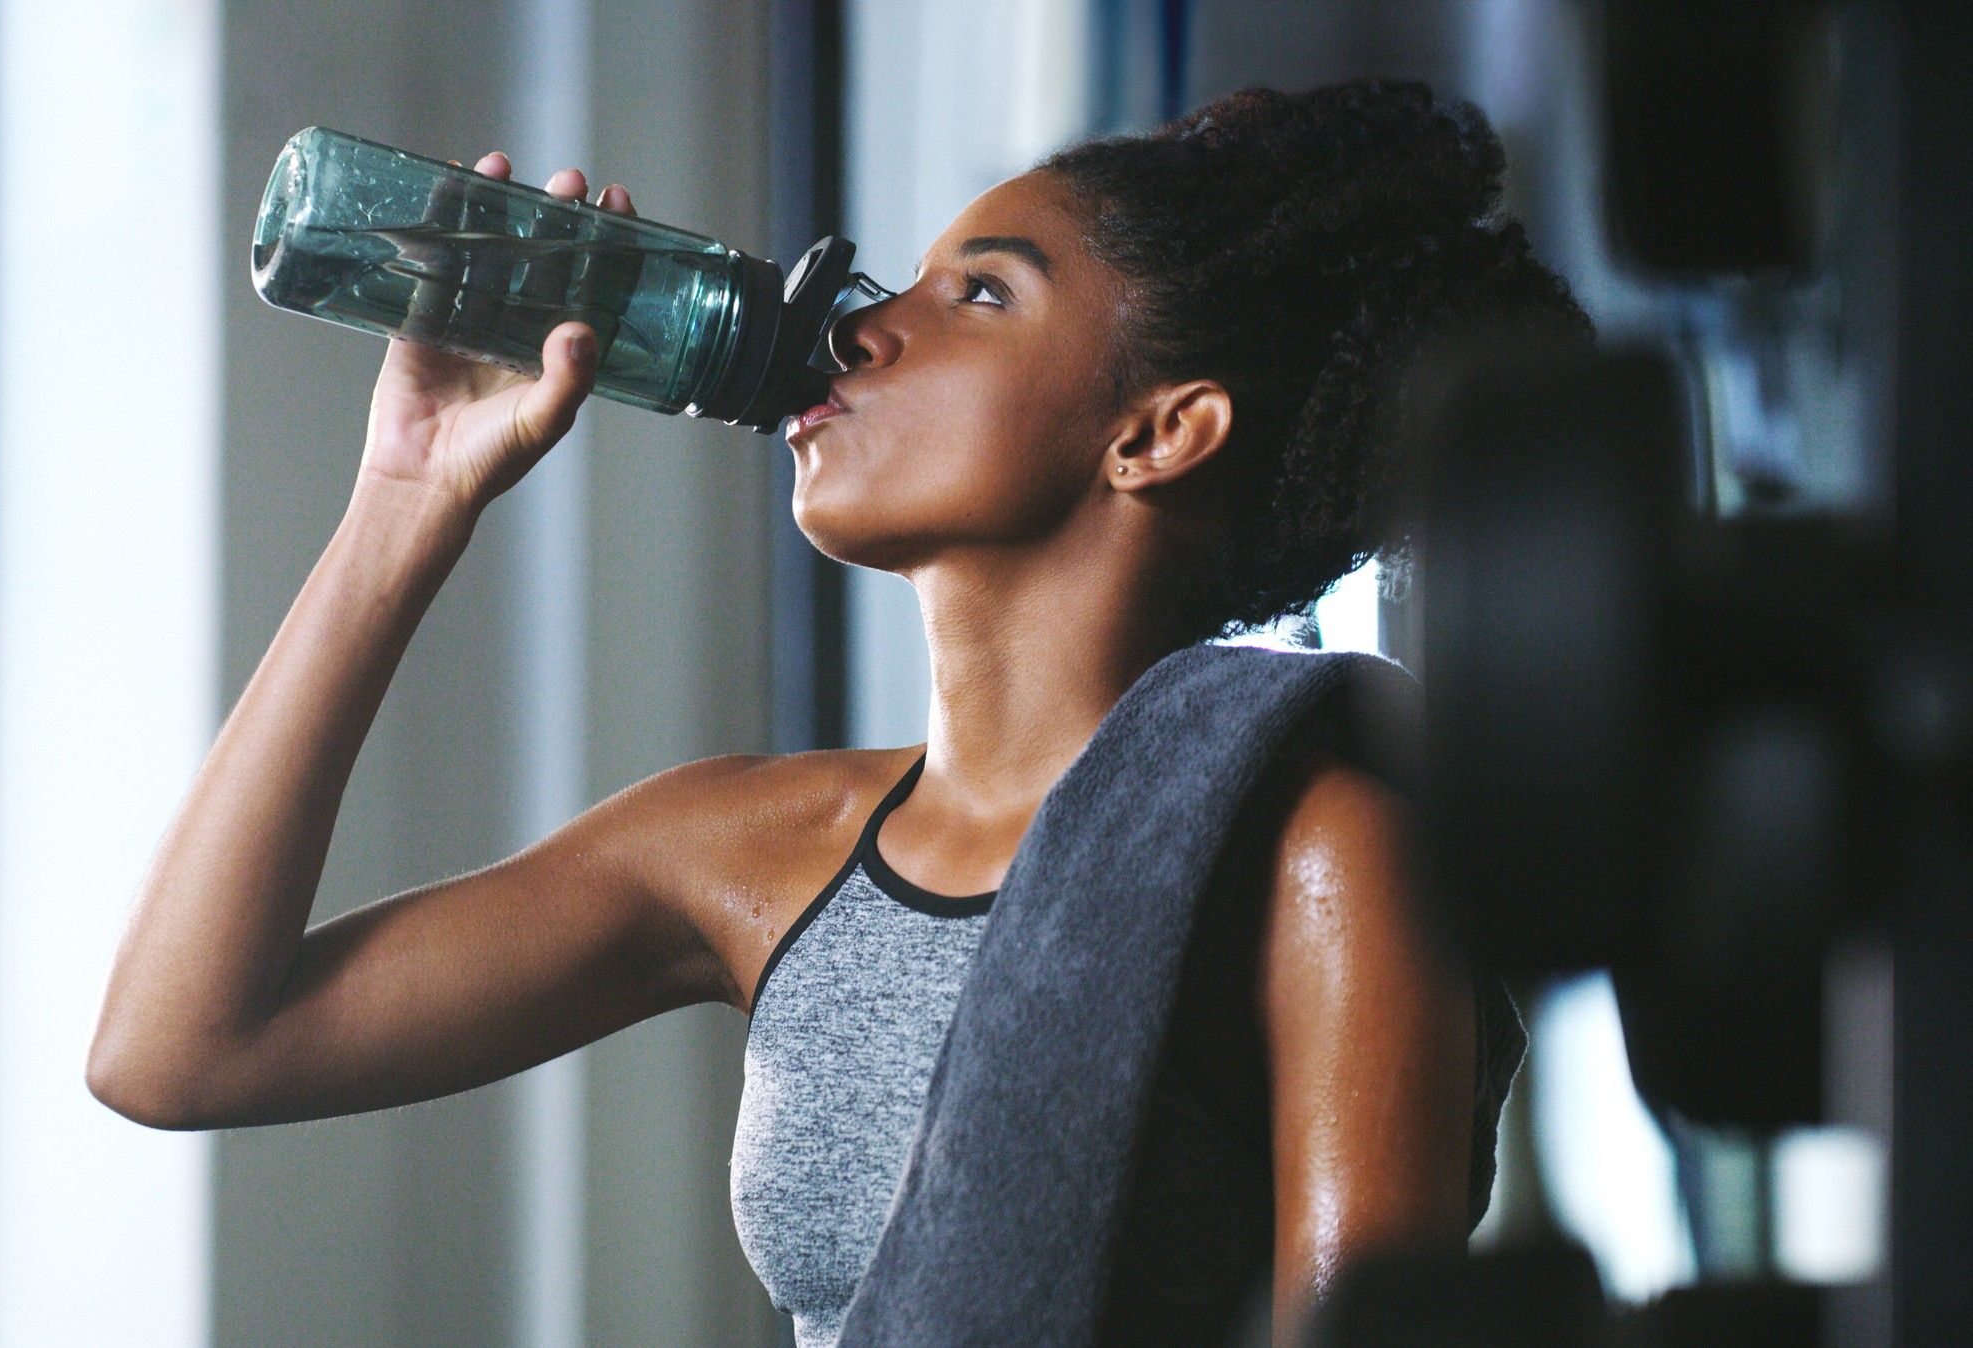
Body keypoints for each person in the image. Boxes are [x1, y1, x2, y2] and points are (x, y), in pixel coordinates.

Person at [89, 79, 1589, 1345]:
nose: (863, 331)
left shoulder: (1321, 855)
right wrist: (403, 501)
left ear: (1157, 430)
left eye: (981, 294)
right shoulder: (745, 846)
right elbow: (183, 1049)